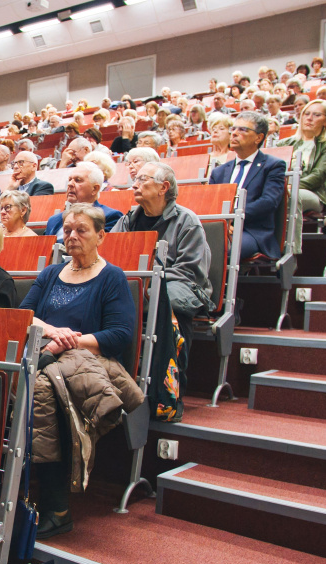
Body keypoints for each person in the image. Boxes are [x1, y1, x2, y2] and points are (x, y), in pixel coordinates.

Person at [20, 204, 138, 538]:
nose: (72, 236)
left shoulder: (111, 277)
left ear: (101, 235)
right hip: (47, 353)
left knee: (48, 392)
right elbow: (25, 314)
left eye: (81, 230)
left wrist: (67, 343)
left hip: (91, 362)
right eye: (67, 230)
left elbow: (119, 336)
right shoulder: (50, 273)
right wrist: (54, 333)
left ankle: (57, 507)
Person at [112, 162, 212, 378]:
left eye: (142, 179)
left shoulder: (187, 221)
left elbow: (190, 271)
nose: (134, 185)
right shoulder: (128, 220)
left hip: (179, 285)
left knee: (168, 302)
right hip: (137, 283)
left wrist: (150, 282)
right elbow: (111, 255)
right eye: (135, 179)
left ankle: (173, 386)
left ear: (163, 187)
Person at [209, 111, 286, 260]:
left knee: (219, 249)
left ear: (259, 137)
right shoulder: (219, 172)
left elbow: (269, 202)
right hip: (221, 228)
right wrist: (222, 223)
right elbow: (212, 204)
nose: (234, 134)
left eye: (243, 129)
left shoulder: (272, 165)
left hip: (252, 231)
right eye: (234, 129)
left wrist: (234, 218)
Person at [277, 98, 326, 224]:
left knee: (293, 196)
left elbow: (318, 176)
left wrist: (291, 187)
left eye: (316, 115)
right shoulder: (284, 143)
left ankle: (292, 244)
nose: (309, 118)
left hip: (313, 193)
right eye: (306, 113)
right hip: (281, 189)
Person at [45, 163, 124, 238]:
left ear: (95, 189)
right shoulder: (53, 220)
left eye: (78, 180)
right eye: (70, 179)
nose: (70, 184)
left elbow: (100, 248)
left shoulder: (110, 216)